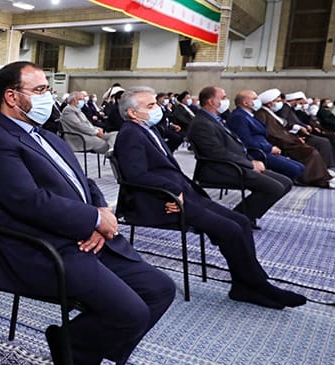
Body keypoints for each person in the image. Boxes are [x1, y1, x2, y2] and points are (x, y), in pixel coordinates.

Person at [0, 63, 175, 365]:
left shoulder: (48, 136)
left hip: (82, 235)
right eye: (39, 90)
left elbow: (84, 182)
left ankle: (74, 343)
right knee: (131, 313)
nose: (48, 96)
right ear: (11, 97)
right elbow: (29, 203)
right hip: (42, 248)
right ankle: (80, 354)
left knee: (160, 290)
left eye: (47, 89)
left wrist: (101, 213)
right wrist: (92, 219)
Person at [114, 87, 306, 309]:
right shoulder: (130, 134)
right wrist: (172, 191)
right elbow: (136, 175)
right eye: (150, 106)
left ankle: (247, 284)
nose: (157, 108)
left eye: (155, 103)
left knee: (241, 221)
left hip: (181, 193)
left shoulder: (147, 129)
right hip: (161, 201)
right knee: (230, 230)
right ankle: (254, 285)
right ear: (132, 113)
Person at [186, 86, 293, 226]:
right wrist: (250, 164)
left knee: (286, 182)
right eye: (223, 98)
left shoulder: (214, 118)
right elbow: (217, 153)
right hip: (219, 169)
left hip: (236, 165)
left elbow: (234, 146)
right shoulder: (202, 123)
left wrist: (250, 161)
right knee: (274, 188)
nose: (226, 101)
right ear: (211, 102)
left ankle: (247, 215)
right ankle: (236, 219)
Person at [250, 89, 335, 188]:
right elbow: (274, 134)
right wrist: (295, 139)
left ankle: (323, 176)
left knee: (314, 147)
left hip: (288, 139)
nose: (281, 103)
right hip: (281, 143)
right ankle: (317, 179)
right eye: (278, 101)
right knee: (310, 151)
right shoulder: (262, 114)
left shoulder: (268, 112)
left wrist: (295, 137)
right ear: (270, 104)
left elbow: (283, 127)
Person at [225, 90, 307, 183]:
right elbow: (246, 141)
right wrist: (269, 148)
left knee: (300, 167)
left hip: (264, 150)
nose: (258, 100)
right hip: (256, 153)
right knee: (295, 169)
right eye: (254, 98)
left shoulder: (249, 115)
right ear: (245, 103)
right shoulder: (239, 117)